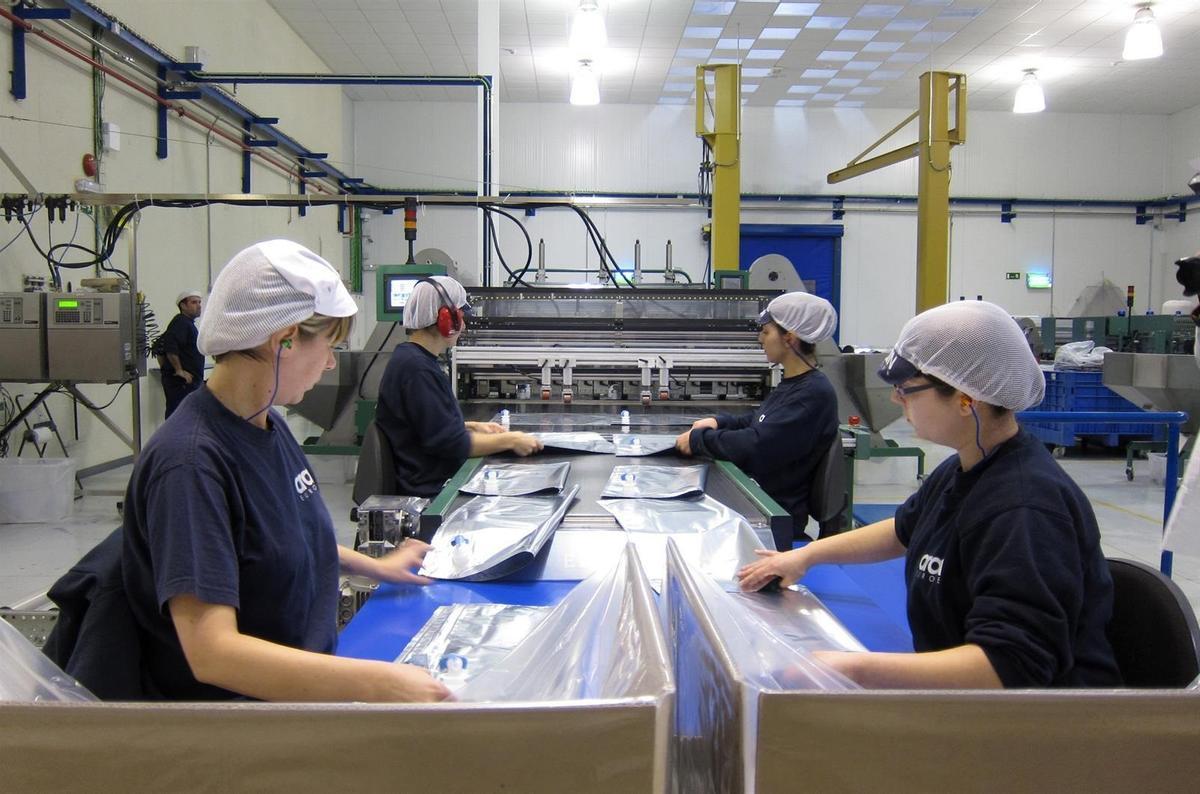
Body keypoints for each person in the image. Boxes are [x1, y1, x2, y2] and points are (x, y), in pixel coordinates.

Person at [122, 240, 450, 702]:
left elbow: (283, 536)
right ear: (285, 340)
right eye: (330, 346)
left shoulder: (266, 423)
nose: (332, 362)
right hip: (247, 730)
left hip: (301, 697)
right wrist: (378, 682)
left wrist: (377, 566)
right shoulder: (192, 464)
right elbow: (212, 652)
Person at [738, 300, 1122, 689]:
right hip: (972, 706)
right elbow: (904, 529)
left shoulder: (1025, 507)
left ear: (966, 399)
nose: (895, 400)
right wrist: (804, 557)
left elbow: (1012, 665)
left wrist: (853, 669)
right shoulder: (966, 468)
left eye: (906, 389)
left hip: (1041, 728)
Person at [674, 291, 839, 549]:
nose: (760, 338)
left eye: (766, 332)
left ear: (790, 338)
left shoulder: (812, 394)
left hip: (770, 518)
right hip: (759, 500)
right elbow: (759, 420)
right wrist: (720, 422)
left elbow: (757, 446)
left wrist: (698, 441)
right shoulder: (794, 384)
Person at [375, 275, 542, 497]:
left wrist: (471, 426)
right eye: (461, 317)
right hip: (430, 492)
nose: (463, 325)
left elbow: (424, 427)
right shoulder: (418, 370)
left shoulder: (412, 359)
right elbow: (452, 444)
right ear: (446, 319)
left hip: (427, 479)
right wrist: (511, 440)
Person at [159, 289, 205, 418]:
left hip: (188, 383)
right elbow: (168, 346)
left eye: (199, 302)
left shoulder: (186, 324)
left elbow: (159, 347)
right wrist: (179, 370)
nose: (199, 306)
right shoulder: (181, 323)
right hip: (182, 384)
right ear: (183, 306)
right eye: (194, 302)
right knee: (180, 417)